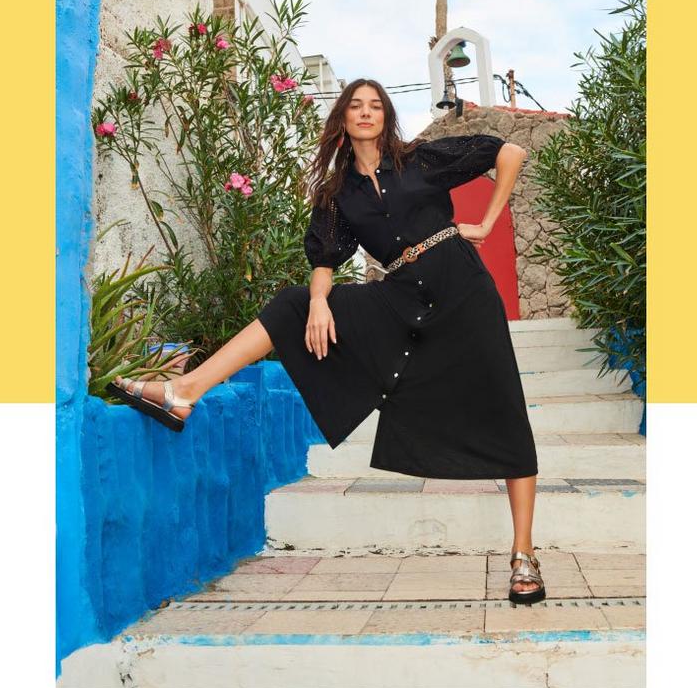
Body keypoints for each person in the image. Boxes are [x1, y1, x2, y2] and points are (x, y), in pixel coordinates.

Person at [111, 78, 545, 605]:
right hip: (402, 293)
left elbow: (511, 151)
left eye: (375, 106)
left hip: (464, 292)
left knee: (505, 411)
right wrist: (319, 303)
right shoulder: (340, 195)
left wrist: (489, 221)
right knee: (295, 302)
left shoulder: (422, 160)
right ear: (342, 119)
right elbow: (324, 261)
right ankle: (185, 392)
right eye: (355, 106)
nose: (366, 113)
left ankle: (523, 553)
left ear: (386, 116)